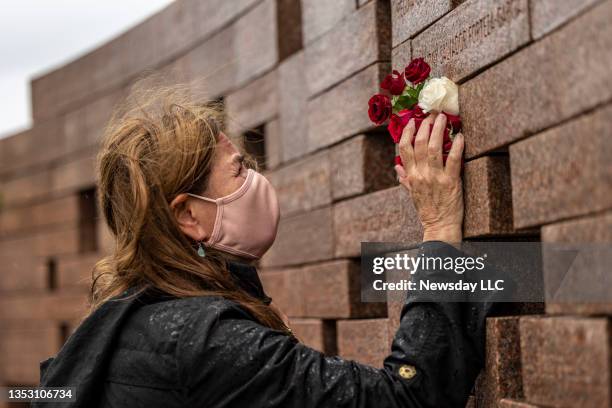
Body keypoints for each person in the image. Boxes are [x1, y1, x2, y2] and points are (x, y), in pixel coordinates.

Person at [35, 87, 493, 408]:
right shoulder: (208, 342)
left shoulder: (117, 325)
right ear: (188, 216)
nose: (257, 180)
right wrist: (439, 230)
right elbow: (403, 400)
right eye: (238, 170)